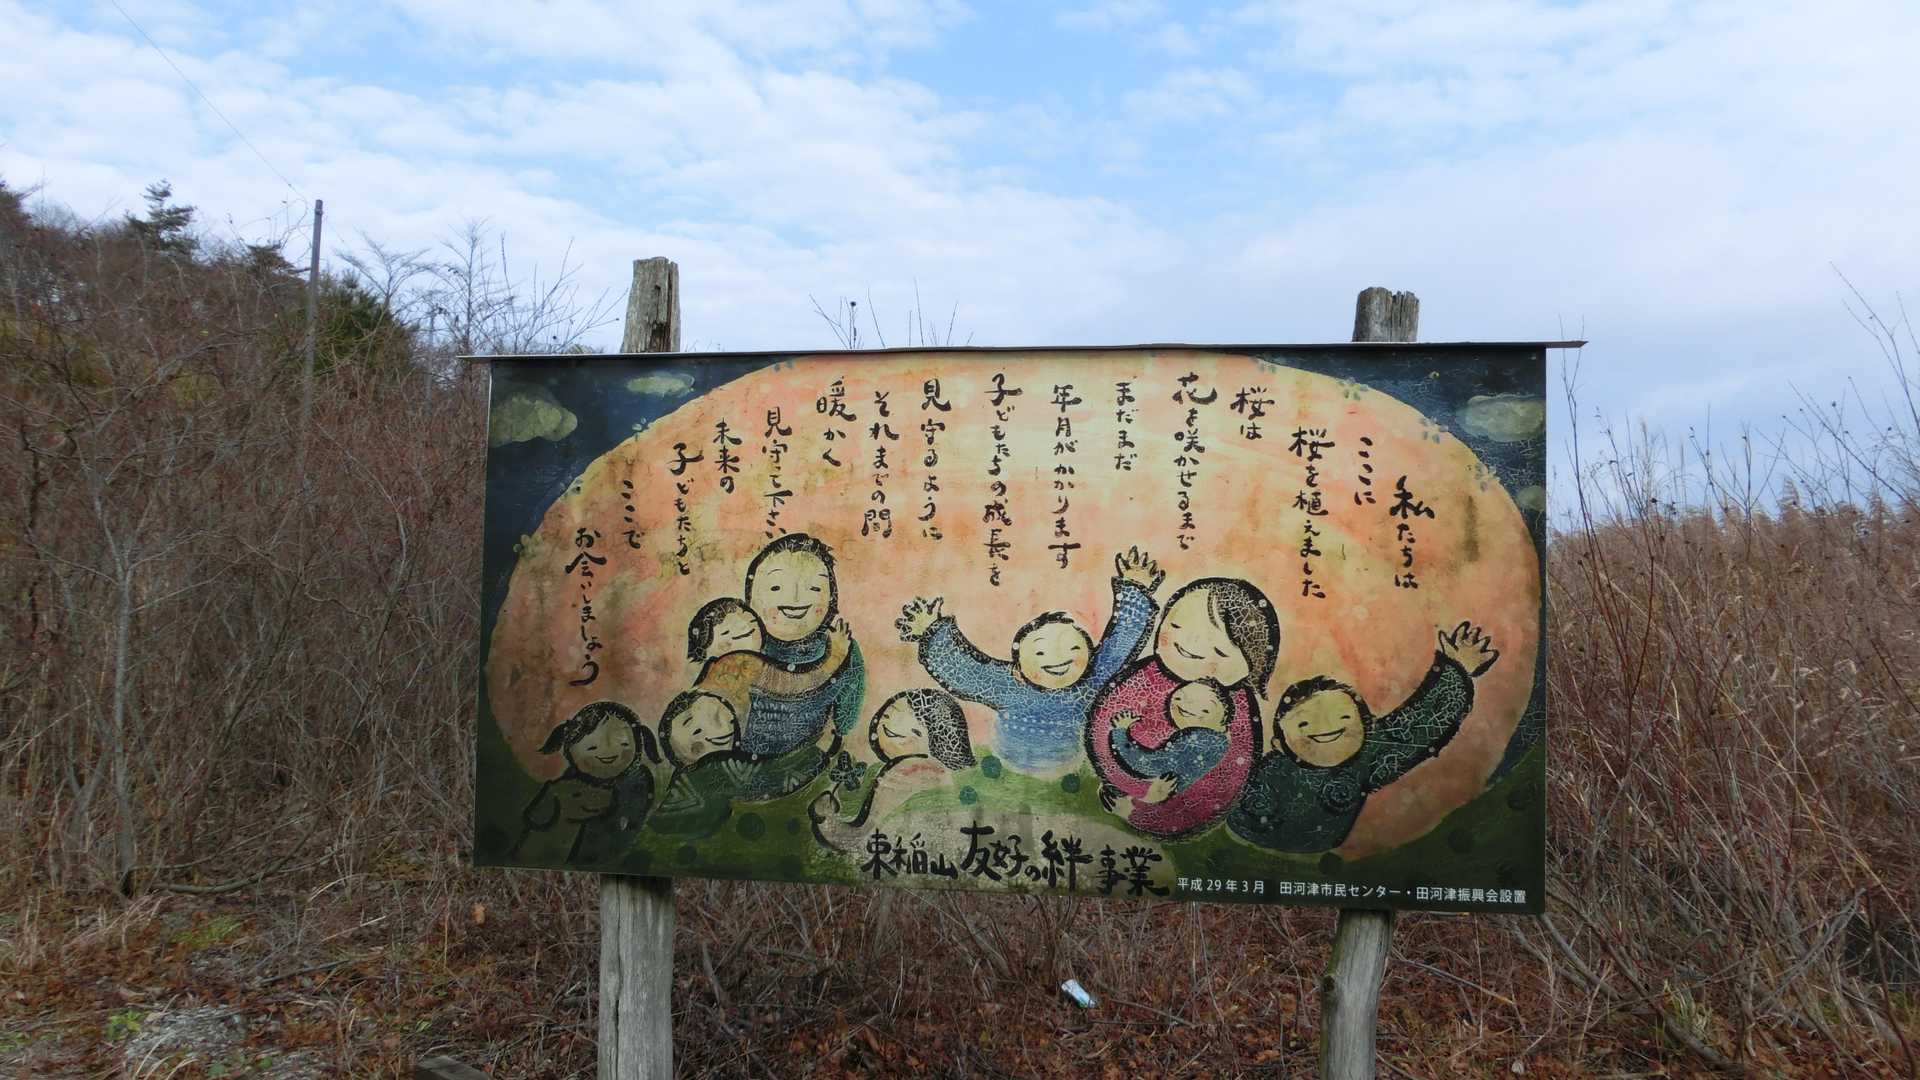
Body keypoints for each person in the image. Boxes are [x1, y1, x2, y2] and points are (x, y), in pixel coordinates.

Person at [1228, 621, 1499, 853]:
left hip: (1327, 848)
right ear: (1278, 743)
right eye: (1304, 722)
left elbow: (1415, 728)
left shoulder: (1365, 759)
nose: (1326, 728)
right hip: (1243, 836)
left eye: (1343, 718)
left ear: (1367, 730)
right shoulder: (1264, 770)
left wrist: (1455, 667)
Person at [897, 546, 1163, 773]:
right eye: (1040, 652)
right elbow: (965, 672)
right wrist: (932, 630)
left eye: (1073, 648)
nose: (1058, 658)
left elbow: (1120, 644)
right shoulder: (1007, 685)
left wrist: (1135, 588)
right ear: (1018, 667)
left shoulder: (1093, 679)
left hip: (1078, 766)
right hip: (1008, 766)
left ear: (1089, 654)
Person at [1086, 576, 1280, 838]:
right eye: (1176, 626)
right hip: (1120, 782)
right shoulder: (1144, 676)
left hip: (1179, 810)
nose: (1192, 646)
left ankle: (1138, 811)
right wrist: (1131, 784)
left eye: (1220, 651)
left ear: (1254, 664)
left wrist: (1147, 799)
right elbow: (1103, 724)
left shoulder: (1236, 709)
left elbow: (1228, 777)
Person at [738, 535, 865, 756]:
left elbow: (846, 720)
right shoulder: (743, 642)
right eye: (776, 587)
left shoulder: (842, 646)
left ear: (831, 597)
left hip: (814, 759)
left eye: (814, 588)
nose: (795, 599)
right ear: (750, 597)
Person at [808, 689, 975, 850]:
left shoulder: (913, 768)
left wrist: (825, 817)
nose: (886, 724)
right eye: (887, 716)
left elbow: (854, 836)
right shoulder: (933, 771)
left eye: (915, 731)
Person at [513, 701, 659, 865]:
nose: (608, 752)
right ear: (571, 749)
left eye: (624, 743)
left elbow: (633, 819)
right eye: (592, 748)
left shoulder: (638, 779)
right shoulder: (570, 783)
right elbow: (538, 821)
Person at [1106, 677, 1232, 796]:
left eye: (1204, 708)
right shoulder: (1218, 742)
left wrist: (1120, 732)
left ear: (1223, 717)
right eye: (1179, 697)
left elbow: (1149, 765)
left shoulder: (1199, 741)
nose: (1183, 704)